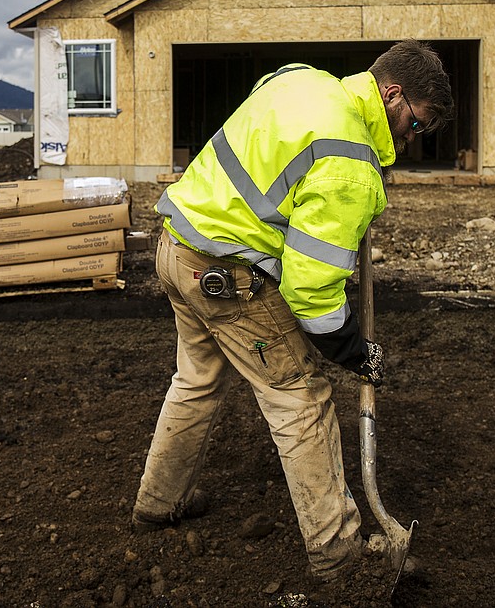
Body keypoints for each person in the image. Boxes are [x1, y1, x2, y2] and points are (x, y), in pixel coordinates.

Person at [131, 39, 454, 583]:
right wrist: (350, 348)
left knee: (196, 381)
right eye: (415, 124)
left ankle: (157, 503)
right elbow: (310, 289)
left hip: (176, 246)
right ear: (393, 94)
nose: (411, 139)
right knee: (299, 397)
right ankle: (340, 557)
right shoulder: (349, 159)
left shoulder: (300, 79)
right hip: (226, 275)